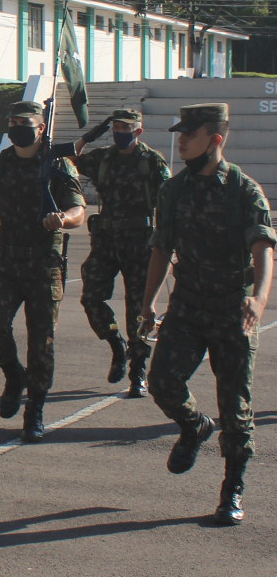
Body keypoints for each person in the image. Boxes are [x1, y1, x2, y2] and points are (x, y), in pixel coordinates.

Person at [140, 103, 274, 526]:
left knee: (235, 407)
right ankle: (195, 425)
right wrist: (147, 303)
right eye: (180, 134)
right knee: (161, 382)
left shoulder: (243, 190)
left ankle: (231, 490)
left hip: (233, 308)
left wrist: (260, 298)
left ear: (215, 139)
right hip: (188, 304)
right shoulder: (173, 189)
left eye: (189, 134)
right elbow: (161, 248)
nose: (180, 141)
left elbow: (264, 248)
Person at [0, 101, 86, 443]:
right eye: (12, 121)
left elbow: (79, 209)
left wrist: (63, 219)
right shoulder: (0, 163)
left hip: (45, 264)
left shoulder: (58, 163)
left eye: (24, 122)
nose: (17, 127)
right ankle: (14, 376)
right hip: (8, 260)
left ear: (41, 128)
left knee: (41, 340)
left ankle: (35, 410)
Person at [63, 108, 170, 397]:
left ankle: (138, 371)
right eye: (117, 128)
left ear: (139, 131)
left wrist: (168, 242)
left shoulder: (151, 161)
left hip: (140, 242)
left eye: (127, 128)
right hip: (107, 240)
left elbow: (168, 201)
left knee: (139, 309)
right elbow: (68, 160)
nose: (121, 133)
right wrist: (90, 135)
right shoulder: (103, 158)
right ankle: (115, 343)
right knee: (91, 298)